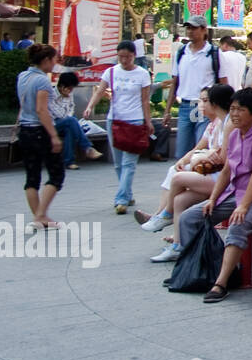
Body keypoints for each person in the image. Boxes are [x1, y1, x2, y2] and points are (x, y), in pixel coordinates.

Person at [177, 88, 252, 303]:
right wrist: (213, 198)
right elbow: (227, 170)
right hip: (234, 193)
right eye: (233, 109)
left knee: (237, 225)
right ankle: (201, 269)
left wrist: (243, 206)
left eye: (240, 110)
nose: (234, 114)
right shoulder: (235, 134)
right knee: (189, 217)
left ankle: (221, 283)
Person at [138, 84, 233, 253]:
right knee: (179, 200)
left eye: (205, 101)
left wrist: (198, 161)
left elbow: (222, 159)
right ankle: (177, 245)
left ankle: (165, 215)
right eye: (200, 101)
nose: (201, 105)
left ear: (215, 103)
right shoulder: (215, 124)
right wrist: (187, 160)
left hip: (223, 180)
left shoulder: (228, 123)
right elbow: (200, 148)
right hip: (215, 174)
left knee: (177, 177)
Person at [84, 41, 153, 213]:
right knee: (118, 164)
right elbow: (100, 91)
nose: (124, 60)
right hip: (114, 121)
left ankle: (121, 199)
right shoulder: (111, 72)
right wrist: (90, 106)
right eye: (121, 56)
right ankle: (127, 194)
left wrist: (148, 121)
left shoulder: (143, 74)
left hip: (135, 121)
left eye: (128, 57)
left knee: (129, 163)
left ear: (134, 56)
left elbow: (145, 100)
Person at [16, 44, 65, 229]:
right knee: (56, 173)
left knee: (31, 176)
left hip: (25, 130)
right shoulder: (42, 81)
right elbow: (41, 109)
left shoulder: (22, 76)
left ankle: (40, 217)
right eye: (53, 59)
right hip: (39, 131)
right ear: (45, 60)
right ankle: (40, 215)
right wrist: (53, 135)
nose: (54, 63)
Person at [165, 17, 228, 159]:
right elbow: (175, 82)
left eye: (194, 28)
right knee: (181, 153)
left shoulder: (214, 53)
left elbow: (224, 83)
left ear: (204, 30)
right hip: (186, 105)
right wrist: (167, 110)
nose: (190, 31)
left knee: (201, 152)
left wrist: (223, 111)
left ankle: (198, 179)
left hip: (206, 106)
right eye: (188, 28)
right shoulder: (181, 53)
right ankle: (183, 179)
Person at [48, 71, 104, 169]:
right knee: (71, 120)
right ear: (61, 86)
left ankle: (69, 162)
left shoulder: (70, 93)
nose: (70, 91)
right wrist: (65, 101)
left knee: (70, 128)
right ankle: (87, 148)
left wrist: (68, 115)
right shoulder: (51, 95)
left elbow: (71, 108)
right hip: (51, 125)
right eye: (69, 88)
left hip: (65, 124)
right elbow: (58, 114)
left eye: (72, 88)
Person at [58, 0, 102, 65]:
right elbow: (63, 33)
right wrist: (62, 53)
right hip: (68, 55)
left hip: (85, 53)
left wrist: (95, 53)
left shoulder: (91, 6)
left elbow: (98, 30)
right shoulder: (67, 11)